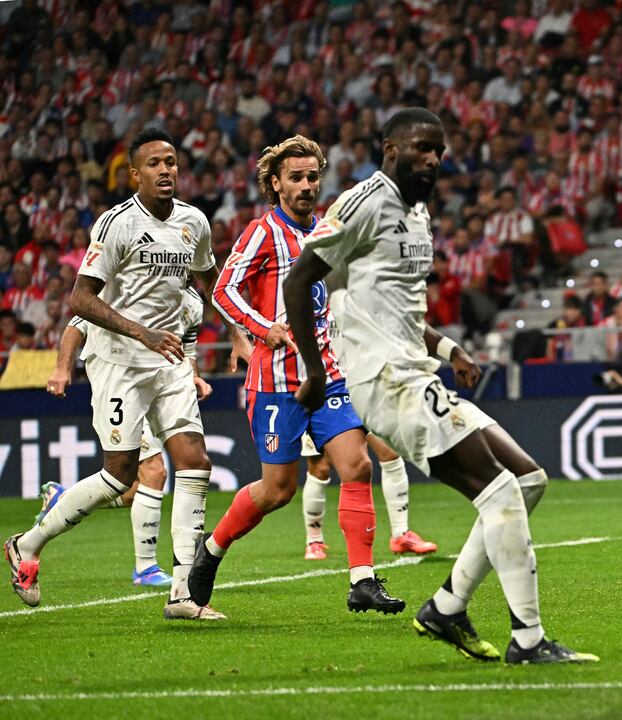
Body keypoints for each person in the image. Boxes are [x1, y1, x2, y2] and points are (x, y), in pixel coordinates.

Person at [284, 108, 595, 664]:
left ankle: (447, 608)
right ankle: (528, 641)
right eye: (421, 146)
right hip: (386, 379)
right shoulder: (361, 202)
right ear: (390, 147)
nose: (432, 158)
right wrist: (313, 370)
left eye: (439, 151)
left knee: (527, 480)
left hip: (414, 369)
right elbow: (302, 278)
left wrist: (449, 349)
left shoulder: (418, 214)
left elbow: (393, 305)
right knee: (498, 492)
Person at [5, 127, 246, 620]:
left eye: (172, 162)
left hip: (170, 358)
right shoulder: (116, 224)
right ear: (135, 174)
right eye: (155, 164)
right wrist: (140, 333)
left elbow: (210, 279)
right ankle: (27, 544)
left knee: (195, 462)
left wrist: (238, 331)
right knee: (119, 476)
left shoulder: (193, 222)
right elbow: (80, 300)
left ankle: (183, 594)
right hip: (118, 360)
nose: (166, 171)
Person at [192, 135, 406, 615]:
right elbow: (224, 291)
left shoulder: (329, 230)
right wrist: (262, 328)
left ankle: (362, 580)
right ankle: (211, 551)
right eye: (296, 177)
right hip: (276, 384)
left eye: (313, 176)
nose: (307, 185)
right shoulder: (262, 233)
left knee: (357, 465)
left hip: (326, 373)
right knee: (278, 491)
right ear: (276, 183)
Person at [39, 288, 211, 587]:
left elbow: (188, 348)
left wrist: (193, 376)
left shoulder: (193, 301)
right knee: (155, 472)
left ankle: (61, 498)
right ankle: (146, 568)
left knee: (133, 489)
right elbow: (76, 324)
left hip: (164, 389)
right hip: (123, 386)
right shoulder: (130, 285)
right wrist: (62, 367)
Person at [299, 432, 438, 560]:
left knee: (390, 454)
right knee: (319, 468)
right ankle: (314, 541)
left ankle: (401, 534)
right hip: (324, 409)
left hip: (358, 407)